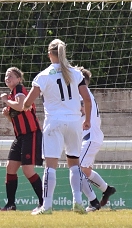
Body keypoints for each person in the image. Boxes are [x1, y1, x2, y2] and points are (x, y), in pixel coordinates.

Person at [22, 39, 94, 215]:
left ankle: (46, 206)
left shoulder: (44, 76)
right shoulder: (75, 74)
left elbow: (27, 103)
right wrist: (87, 120)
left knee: (50, 165)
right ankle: (78, 202)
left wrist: (23, 104)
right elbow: (87, 99)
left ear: (49, 54)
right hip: (74, 122)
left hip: (54, 122)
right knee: (74, 163)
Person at [0, 67, 43, 211]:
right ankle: (10, 204)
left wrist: (6, 101)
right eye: (6, 75)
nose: (7, 78)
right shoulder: (13, 95)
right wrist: (7, 114)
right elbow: (17, 116)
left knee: (28, 170)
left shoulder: (19, 89)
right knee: (10, 168)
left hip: (31, 134)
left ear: (19, 79)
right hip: (20, 137)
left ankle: (44, 202)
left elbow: (21, 106)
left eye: (11, 75)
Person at [76, 67, 116, 211]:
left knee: (78, 169)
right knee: (85, 170)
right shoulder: (86, 94)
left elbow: (82, 109)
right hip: (91, 137)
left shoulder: (82, 94)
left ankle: (93, 201)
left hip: (90, 137)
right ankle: (106, 190)